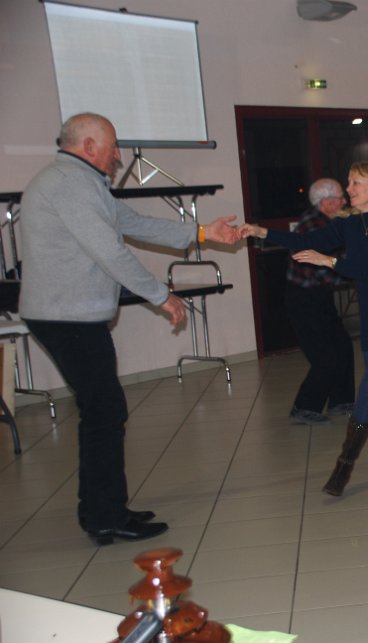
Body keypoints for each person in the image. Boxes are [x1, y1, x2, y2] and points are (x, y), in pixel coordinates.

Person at [18, 113, 241, 545]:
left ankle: (101, 509)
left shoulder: (82, 182)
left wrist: (201, 232)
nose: (119, 155)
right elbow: (110, 252)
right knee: (105, 411)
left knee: (102, 410)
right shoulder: (70, 184)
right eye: (113, 146)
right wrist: (160, 294)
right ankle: (105, 517)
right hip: (68, 318)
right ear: (88, 146)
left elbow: (134, 223)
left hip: (70, 316)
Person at [240, 161, 368, 496]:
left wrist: (330, 261)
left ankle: (343, 469)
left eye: (356, 182)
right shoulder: (349, 224)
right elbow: (307, 239)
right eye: (349, 182)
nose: (349, 189)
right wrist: (262, 232)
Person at [284, 178, 355, 425]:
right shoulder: (313, 226)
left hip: (317, 295)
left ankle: (341, 401)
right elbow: (321, 269)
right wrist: (355, 274)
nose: (344, 201)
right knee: (326, 356)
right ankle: (304, 407)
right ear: (326, 202)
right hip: (304, 299)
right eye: (340, 198)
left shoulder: (323, 221)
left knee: (342, 346)